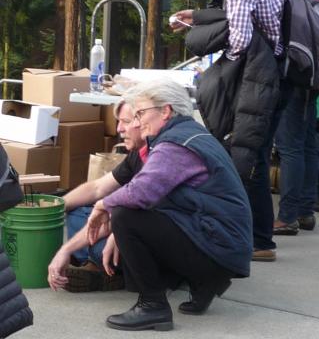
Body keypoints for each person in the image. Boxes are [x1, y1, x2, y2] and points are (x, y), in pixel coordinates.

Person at [172, 0, 288, 262]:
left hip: (251, 72)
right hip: (277, 68)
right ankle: (261, 237)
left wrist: (218, 69)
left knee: (242, 153)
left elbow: (237, 36)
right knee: (256, 147)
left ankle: (258, 241)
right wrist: (200, 15)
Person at [87, 78, 253, 331]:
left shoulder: (175, 144)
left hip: (219, 247)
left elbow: (142, 191)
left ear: (165, 111)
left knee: (125, 216)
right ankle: (204, 283)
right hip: (225, 245)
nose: (137, 120)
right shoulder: (191, 133)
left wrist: (103, 205)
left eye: (141, 113)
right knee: (146, 211)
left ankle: (153, 305)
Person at [48, 99, 146, 292]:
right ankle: (96, 264)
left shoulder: (161, 158)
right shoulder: (137, 154)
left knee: (101, 246)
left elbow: (126, 217)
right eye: (118, 121)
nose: (119, 129)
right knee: (77, 210)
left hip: (149, 234)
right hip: (124, 220)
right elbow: (97, 188)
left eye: (125, 121)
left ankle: (102, 267)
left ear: (142, 121)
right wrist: (54, 207)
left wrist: (66, 248)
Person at [268, 0, 319, 234]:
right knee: (306, 143)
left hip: (295, 73)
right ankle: (305, 210)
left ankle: (287, 215)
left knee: (289, 146)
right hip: (312, 74)